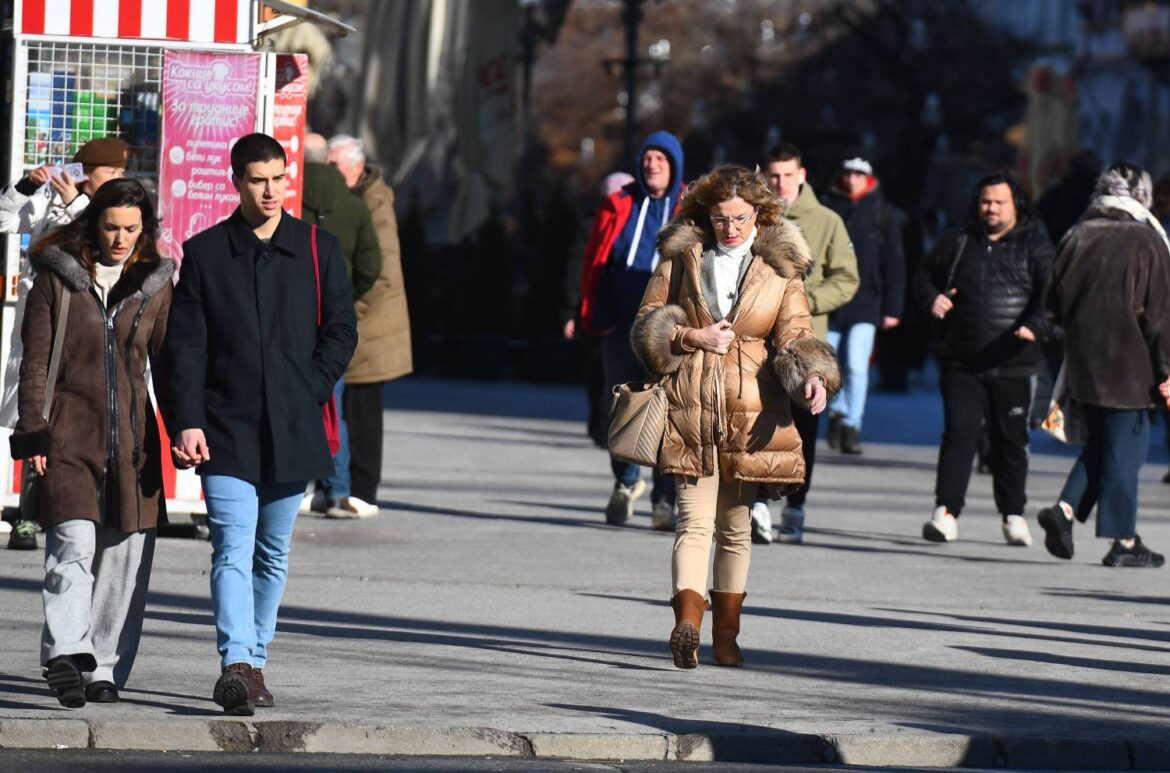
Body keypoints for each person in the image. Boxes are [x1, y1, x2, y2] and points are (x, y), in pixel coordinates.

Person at [163, 133, 357, 715]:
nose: (270, 190)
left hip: (292, 426)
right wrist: (187, 420)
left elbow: (342, 329)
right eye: (257, 180)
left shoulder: (319, 249)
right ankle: (237, 664)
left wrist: (312, 386)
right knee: (230, 547)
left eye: (278, 178)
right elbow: (186, 348)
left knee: (272, 553)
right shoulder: (205, 252)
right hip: (226, 425)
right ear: (236, 182)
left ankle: (258, 658)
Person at [630, 164, 840, 668]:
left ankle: (726, 635)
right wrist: (689, 337)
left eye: (740, 218)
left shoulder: (779, 269)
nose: (730, 228)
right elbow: (644, 326)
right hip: (691, 403)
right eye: (721, 218)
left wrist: (813, 376)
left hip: (753, 408)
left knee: (735, 527)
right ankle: (688, 623)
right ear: (707, 215)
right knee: (692, 522)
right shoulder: (681, 258)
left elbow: (795, 334)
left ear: (760, 216)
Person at [9, 179, 172, 707]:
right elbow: (36, 362)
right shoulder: (57, 278)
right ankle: (64, 653)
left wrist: (192, 427)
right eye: (111, 227)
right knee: (73, 547)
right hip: (67, 434)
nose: (120, 239)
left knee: (123, 560)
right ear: (93, 224)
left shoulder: (156, 283)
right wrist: (32, 429)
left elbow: (170, 365)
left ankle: (102, 667)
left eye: (131, 229)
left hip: (133, 441)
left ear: (144, 229)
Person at [1, 137, 130, 550]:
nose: (116, 180)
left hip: (86, 327)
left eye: (120, 173)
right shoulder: (52, 201)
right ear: (85, 171)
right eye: (110, 172)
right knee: (33, 409)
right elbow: (5, 220)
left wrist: (77, 202)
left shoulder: (108, 213)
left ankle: (69, 504)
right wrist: (25, 186)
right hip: (40, 323)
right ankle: (26, 510)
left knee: (73, 413)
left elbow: (103, 242)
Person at [1038, 162, 1169, 568]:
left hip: (1083, 362)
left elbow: (1052, 304)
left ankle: (1063, 510)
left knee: (1103, 445)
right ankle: (1124, 542)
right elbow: (1161, 316)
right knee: (1126, 452)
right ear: (1141, 196)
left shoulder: (1078, 234)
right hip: (1132, 366)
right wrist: (1167, 371)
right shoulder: (1147, 239)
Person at [914, 172, 1053, 546]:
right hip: (962, 359)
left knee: (1010, 440)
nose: (991, 208)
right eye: (985, 201)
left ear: (1015, 205)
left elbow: (1051, 295)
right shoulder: (956, 242)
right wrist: (932, 299)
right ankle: (945, 513)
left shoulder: (1035, 245)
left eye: (999, 202)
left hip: (1014, 360)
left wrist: (1036, 325)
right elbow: (924, 276)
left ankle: (1013, 515)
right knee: (959, 434)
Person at [749, 143, 858, 544]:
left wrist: (805, 301)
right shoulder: (753, 218)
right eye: (772, 175)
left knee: (803, 431)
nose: (779, 183)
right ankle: (758, 502)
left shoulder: (827, 220)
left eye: (786, 175)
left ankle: (796, 506)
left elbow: (847, 278)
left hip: (808, 345)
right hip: (759, 344)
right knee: (758, 420)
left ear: (802, 175)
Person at [577, 131, 684, 529]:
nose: (652, 165)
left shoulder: (689, 209)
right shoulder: (619, 203)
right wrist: (588, 307)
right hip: (618, 324)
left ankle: (663, 499)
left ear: (674, 167)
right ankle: (625, 483)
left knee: (669, 412)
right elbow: (594, 257)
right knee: (621, 406)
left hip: (670, 332)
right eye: (647, 158)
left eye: (661, 159)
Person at [326, 134, 414, 512]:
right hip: (359, 324)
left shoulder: (374, 201)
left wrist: (346, 316)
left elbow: (382, 273)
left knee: (362, 412)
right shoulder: (348, 199)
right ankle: (346, 487)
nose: (328, 174)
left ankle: (362, 491)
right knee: (348, 410)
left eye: (335, 168)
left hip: (370, 327)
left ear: (357, 169)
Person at [299, 159, 382, 518]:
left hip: (291, 316)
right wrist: (345, 297)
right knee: (332, 404)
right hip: (333, 317)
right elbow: (371, 265)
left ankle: (301, 485)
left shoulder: (291, 200)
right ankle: (338, 490)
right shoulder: (354, 206)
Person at [822, 156, 905, 455]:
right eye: (849, 173)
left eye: (859, 174)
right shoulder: (829, 206)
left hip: (867, 301)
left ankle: (852, 424)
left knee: (857, 366)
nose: (853, 179)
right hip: (830, 301)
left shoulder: (882, 212)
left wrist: (893, 308)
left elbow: (894, 262)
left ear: (868, 178)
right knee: (828, 365)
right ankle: (836, 410)